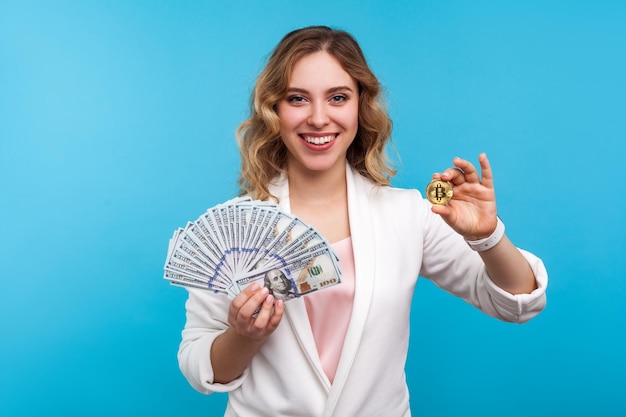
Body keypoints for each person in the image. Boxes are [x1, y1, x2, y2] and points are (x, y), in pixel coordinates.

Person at [177, 25, 548, 417]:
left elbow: (517, 303)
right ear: (274, 110)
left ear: (360, 106)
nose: (319, 118)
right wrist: (244, 335)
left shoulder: (407, 214)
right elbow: (197, 366)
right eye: (297, 99)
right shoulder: (233, 229)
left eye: (337, 97)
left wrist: (487, 236)